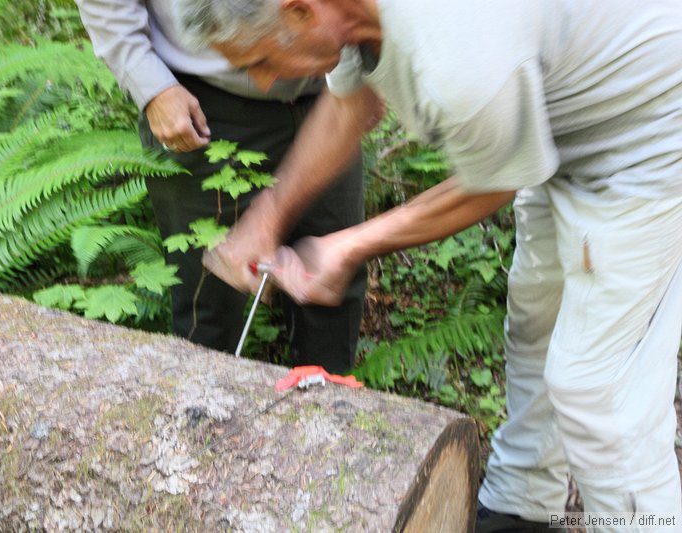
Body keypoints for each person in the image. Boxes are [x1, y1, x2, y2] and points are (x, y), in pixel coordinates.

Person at [175, 0, 682, 531]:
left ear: (300, 11)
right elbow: (351, 107)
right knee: (537, 322)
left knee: (597, 390)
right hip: (566, 127)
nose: (262, 80)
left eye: (259, 59)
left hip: (648, 134)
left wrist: (347, 247)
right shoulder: (352, 19)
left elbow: (491, 183)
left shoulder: (456, 54)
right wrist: (267, 218)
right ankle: (524, 504)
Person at [73, 0, 367, 374]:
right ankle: (203, 420)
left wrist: (362, 67)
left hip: (331, 95)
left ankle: (333, 417)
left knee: (332, 275)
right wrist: (149, 82)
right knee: (206, 300)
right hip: (203, 108)